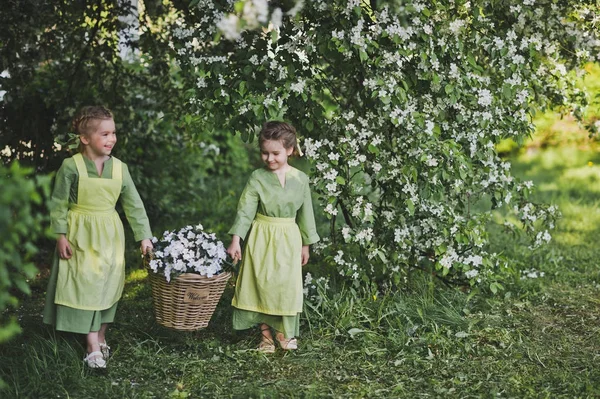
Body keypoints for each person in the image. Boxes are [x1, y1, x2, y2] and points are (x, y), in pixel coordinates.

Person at [43, 106, 153, 369]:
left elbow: (134, 204)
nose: (111, 139)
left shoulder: (120, 169)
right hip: (79, 233)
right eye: (104, 134)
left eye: (113, 133)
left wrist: (144, 237)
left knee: (107, 283)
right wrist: (60, 235)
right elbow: (58, 204)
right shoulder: (71, 166)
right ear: (85, 138)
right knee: (83, 282)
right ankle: (91, 342)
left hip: (110, 234)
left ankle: (101, 334)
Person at [226, 121, 320, 353]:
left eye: (275, 153)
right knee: (263, 284)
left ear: (289, 150)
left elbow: (306, 213)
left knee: (285, 286)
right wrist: (237, 239)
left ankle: (284, 333)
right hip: (261, 236)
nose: (269, 159)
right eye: (265, 153)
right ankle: (266, 335)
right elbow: (245, 210)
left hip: (289, 238)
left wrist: (306, 245)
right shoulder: (257, 178)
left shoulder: (300, 179)